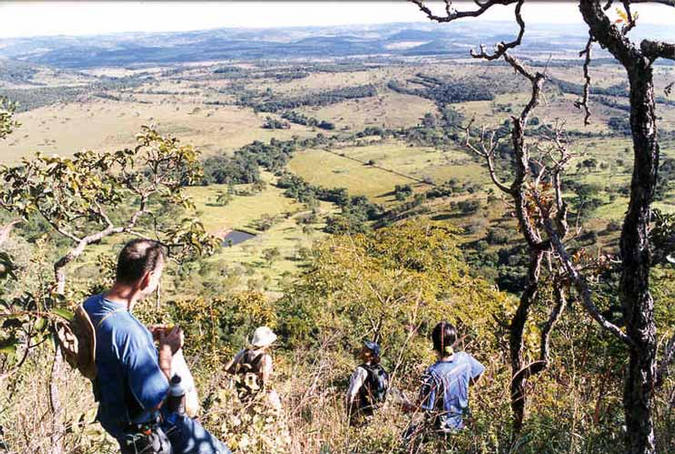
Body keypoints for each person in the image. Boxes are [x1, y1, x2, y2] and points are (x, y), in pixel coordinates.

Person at [83, 239, 229, 454]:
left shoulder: (92, 305)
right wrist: (167, 352)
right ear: (147, 278)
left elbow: (115, 350)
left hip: (116, 417)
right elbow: (156, 400)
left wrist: (145, 342)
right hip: (150, 430)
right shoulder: (131, 334)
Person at [403, 321, 484, 443]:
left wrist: (406, 406)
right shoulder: (465, 359)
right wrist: (464, 386)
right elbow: (481, 371)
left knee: (405, 437)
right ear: (453, 340)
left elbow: (423, 408)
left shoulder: (432, 373)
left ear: (434, 343)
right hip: (463, 424)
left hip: (441, 429)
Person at [224, 326, 281, 410]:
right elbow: (265, 380)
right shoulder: (265, 358)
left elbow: (226, 368)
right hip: (258, 394)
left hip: (243, 392)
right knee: (277, 410)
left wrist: (240, 374)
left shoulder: (244, 352)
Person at [345, 340, 389, 426]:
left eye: (366, 350)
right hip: (377, 413)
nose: (362, 350)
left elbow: (351, 393)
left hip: (361, 412)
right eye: (363, 348)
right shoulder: (381, 371)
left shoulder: (361, 370)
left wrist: (348, 409)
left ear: (372, 356)